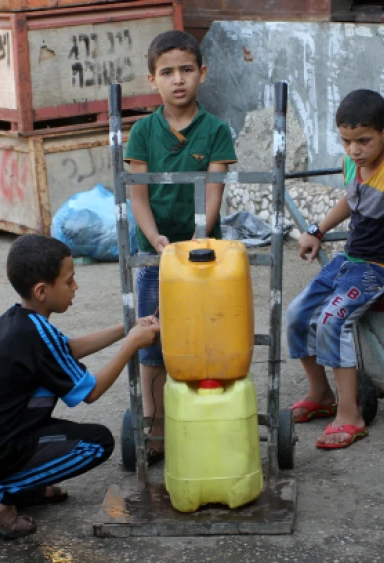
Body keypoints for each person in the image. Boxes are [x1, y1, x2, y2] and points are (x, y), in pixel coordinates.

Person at [0, 234, 159, 539]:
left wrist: (128, 329)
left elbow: (66, 350)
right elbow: (91, 392)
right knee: (96, 444)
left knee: (73, 435)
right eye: (69, 281)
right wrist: (131, 345)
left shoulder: (19, 321)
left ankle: (23, 487)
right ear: (42, 291)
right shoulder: (36, 333)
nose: (76, 288)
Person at [123, 30, 237, 461]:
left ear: (202, 74)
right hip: (154, 254)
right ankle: (156, 425)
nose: (178, 80)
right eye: (167, 72)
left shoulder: (216, 131)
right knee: (153, 337)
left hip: (205, 253)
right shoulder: (142, 133)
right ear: (152, 79)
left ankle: (209, 415)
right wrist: (155, 239)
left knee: (207, 332)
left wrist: (196, 239)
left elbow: (214, 191)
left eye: (186, 70)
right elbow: (137, 195)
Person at [286, 89, 384, 449]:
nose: (354, 150)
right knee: (297, 313)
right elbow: (350, 199)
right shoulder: (352, 164)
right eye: (347, 141)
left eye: (363, 141)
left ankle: (350, 414)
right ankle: (321, 394)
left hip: (382, 267)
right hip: (350, 260)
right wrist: (318, 230)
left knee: (333, 318)